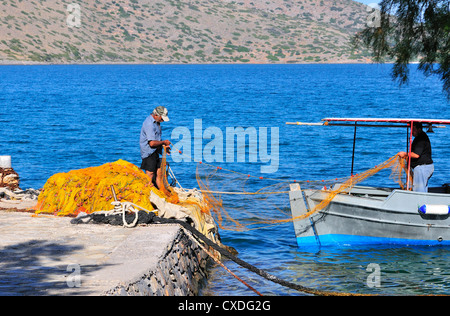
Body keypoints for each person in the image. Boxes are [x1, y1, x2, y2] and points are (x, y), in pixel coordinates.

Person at [140, 106, 171, 189]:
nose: (163, 120)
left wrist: (163, 146)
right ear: (156, 115)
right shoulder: (149, 124)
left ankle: (161, 192)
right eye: (162, 118)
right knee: (150, 174)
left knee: (159, 172)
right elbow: (152, 143)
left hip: (155, 151)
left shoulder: (157, 122)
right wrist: (164, 142)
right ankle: (147, 191)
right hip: (149, 153)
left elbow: (157, 139)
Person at [397, 122, 434, 192]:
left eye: (413, 130)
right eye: (411, 130)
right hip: (423, 167)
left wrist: (405, 154)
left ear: (419, 129)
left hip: (422, 168)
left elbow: (416, 155)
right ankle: (422, 202)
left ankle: (419, 202)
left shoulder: (421, 139)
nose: (412, 132)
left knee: (419, 190)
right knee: (421, 188)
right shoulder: (420, 137)